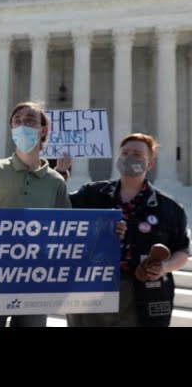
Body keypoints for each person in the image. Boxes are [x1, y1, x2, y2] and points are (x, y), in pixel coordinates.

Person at [64, 134, 190, 327]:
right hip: (93, 287)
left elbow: (182, 250)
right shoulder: (91, 194)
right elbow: (57, 210)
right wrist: (61, 172)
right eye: (125, 153)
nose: (129, 157)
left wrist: (164, 267)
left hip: (141, 293)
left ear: (149, 164)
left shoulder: (169, 208)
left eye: (137, 154)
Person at [0, 101, 72, 328]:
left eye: (30, 121)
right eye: (17, 121)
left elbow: (65, 230)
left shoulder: (55, 181)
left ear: (44, 130)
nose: (23, 125)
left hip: (35, 278)